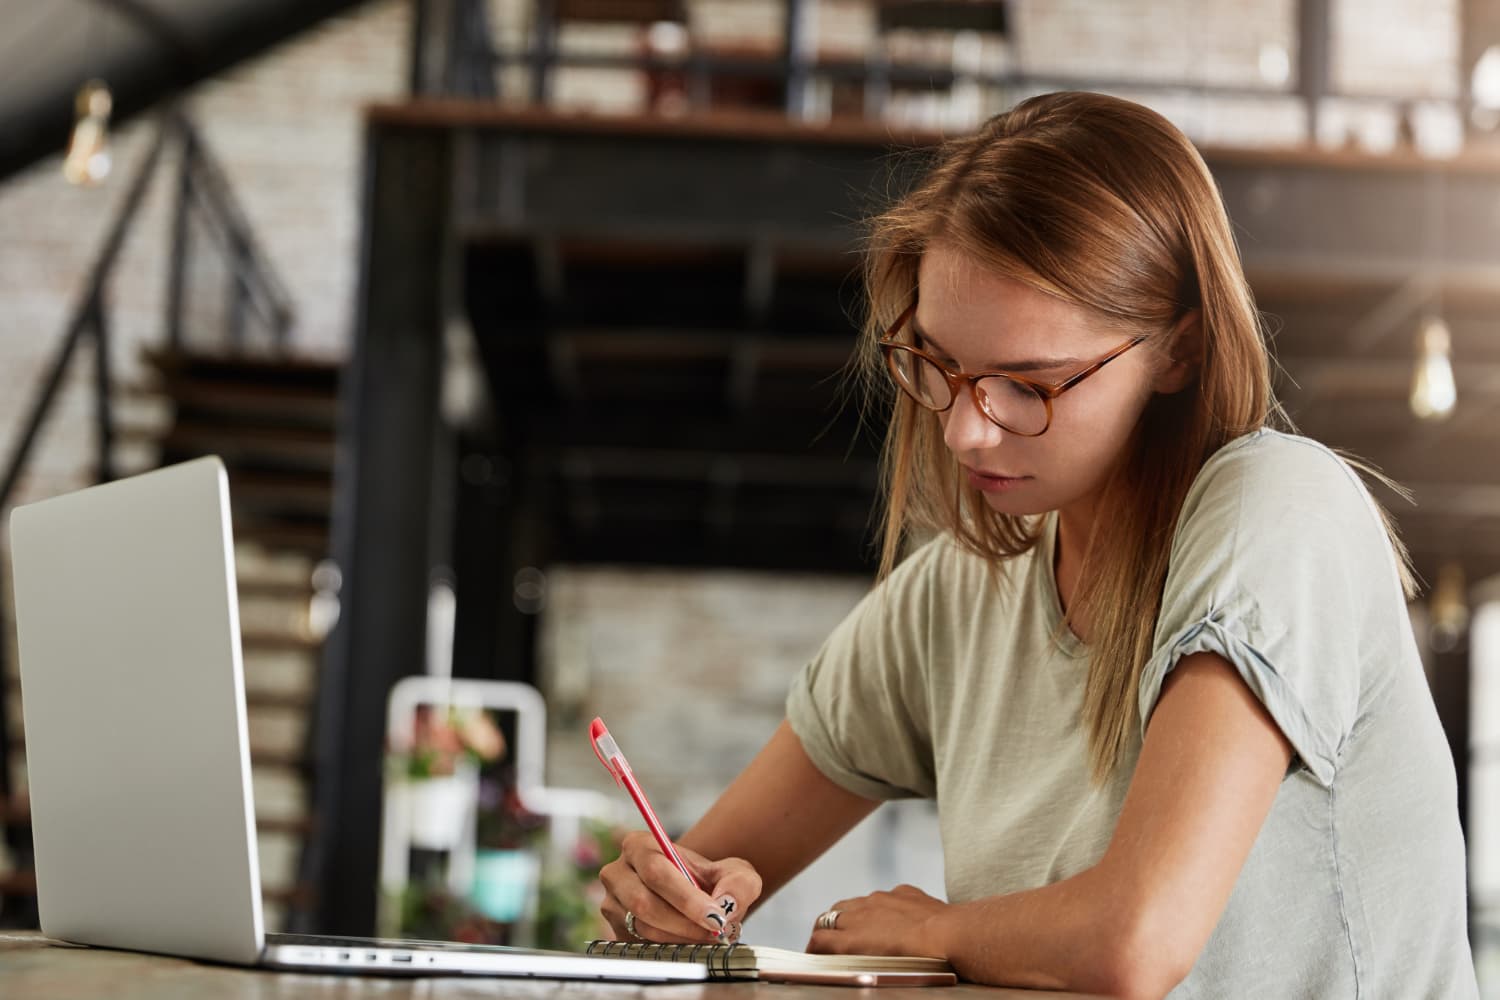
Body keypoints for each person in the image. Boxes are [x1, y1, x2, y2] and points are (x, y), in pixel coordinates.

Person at [596, 91, 1479, 998]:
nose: (967, 432)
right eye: (939, 365)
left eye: (1030, 383)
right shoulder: (957, 596)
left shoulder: (1279, 509)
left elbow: (1134, 942)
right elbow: (707, 871)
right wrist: (670, 895)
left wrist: (935, 929)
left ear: (1179, 350)